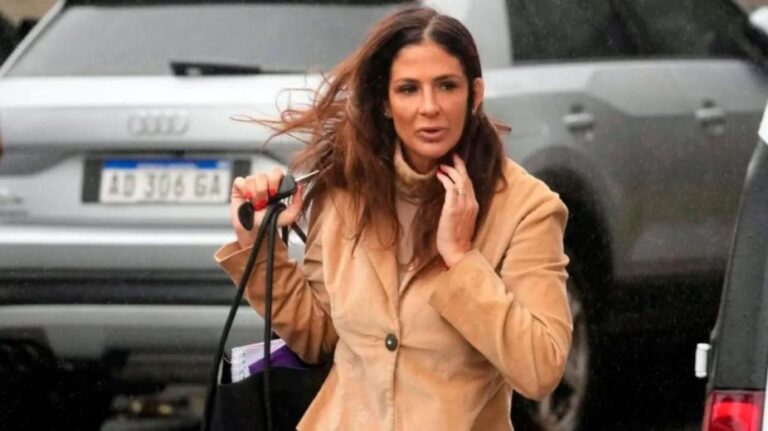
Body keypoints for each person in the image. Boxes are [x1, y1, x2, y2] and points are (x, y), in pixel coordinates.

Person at [215, 6, 572, 430]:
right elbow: (318, 337)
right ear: (384, 102)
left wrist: (462, 260)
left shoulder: (526, 206)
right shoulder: (345, 190)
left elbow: (540, 369)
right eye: (408, 89)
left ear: (475, 95)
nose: (429, 107)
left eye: (446, 86)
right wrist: (260, 249)